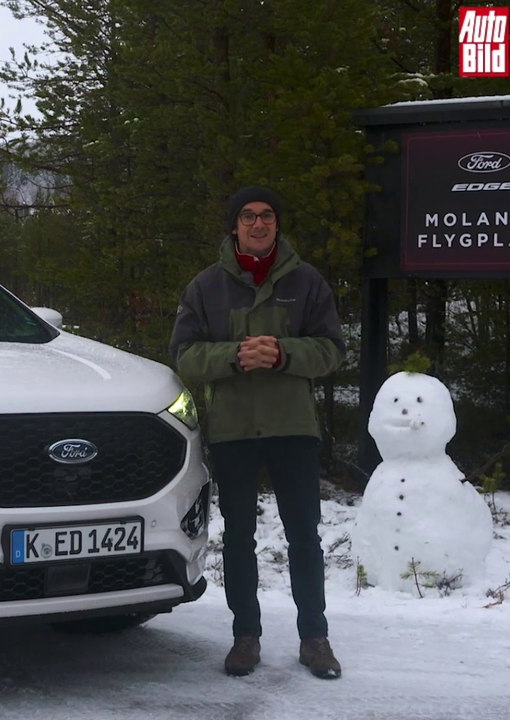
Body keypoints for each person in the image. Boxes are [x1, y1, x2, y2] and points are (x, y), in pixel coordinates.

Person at [169, 186, 345, 679]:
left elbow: (332, 349)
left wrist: (285, 353)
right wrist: (233, 356)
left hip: (293, 428)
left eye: (267, 215)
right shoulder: (206, 286)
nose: (258, 223)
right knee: (239, 536)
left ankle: (315, 638)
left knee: (304, 536)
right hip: (233, 430)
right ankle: (245, 637)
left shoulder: (306, 282)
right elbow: (183, 355)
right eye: (248, 216)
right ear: (235, 226)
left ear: (277, 224)